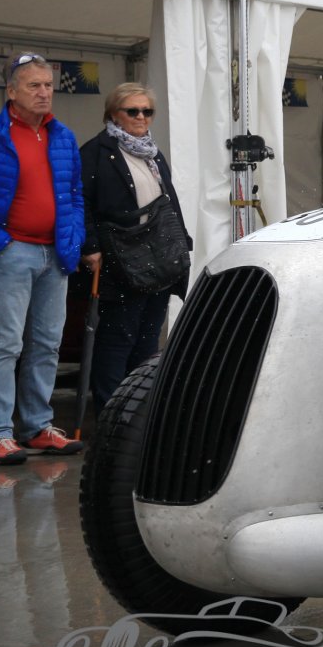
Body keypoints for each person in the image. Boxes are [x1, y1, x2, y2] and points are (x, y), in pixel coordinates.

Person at [0, 53, 85, 465]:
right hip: (12, 253)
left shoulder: (63, 136)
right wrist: (0, 243)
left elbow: (75, 195)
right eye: (34, 85)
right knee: (5, 344)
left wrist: (72, 239)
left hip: (55, 253)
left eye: (48, 85)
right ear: (11, 91)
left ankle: (37, 426)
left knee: (47, 344)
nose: (44, 92)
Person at [80, 83, 191, 413]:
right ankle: (111, 414)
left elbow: (169, 202)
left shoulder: (153, 153)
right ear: (114, 114)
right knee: (118, 339)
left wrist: (181, 243)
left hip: (158, 259)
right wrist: (90, 246)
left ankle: (138, 416)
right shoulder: (95, 153)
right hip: (120, 259)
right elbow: (80, 202)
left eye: (147, 111)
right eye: (133, 111)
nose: (141, 117)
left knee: (148, 339)